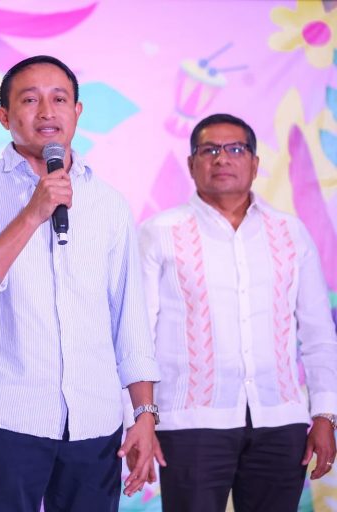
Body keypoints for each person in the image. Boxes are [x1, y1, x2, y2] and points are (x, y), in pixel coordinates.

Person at [0, 55, 162, 511]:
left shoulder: (108, 203)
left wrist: (143, 412)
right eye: (29, 100)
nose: (46, 112)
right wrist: (31, 214)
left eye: (59, 99)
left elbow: (129, 317)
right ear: (4, 117)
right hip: (4, 418)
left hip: (95, 422)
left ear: (77, 112)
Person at [139, 113, 337, 512]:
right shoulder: (159, 233)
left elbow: (318, 334)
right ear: (192, 163)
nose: (222, 158)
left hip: (280, 422)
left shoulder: (290, 233)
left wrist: (325, 414)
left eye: (235, 149)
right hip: (191, 423)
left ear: (255, 163)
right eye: (209, 150)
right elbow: (137, 335)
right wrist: (138, 417)